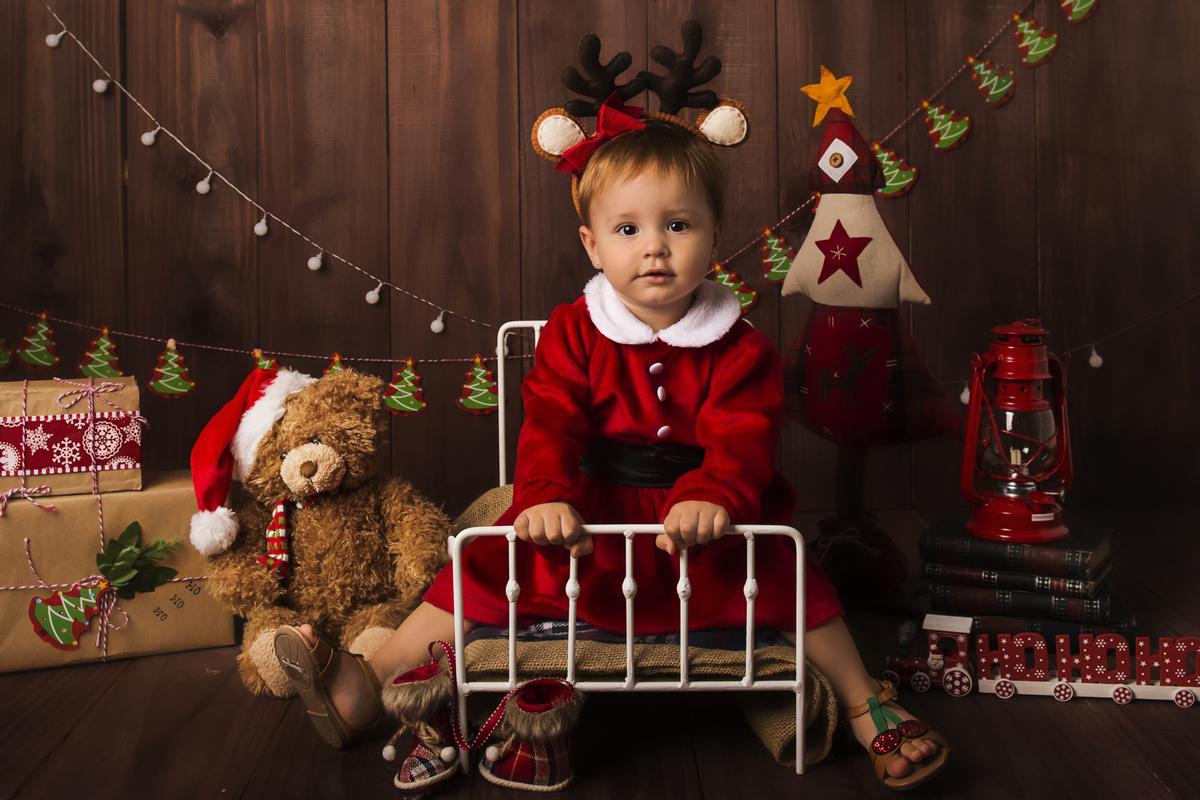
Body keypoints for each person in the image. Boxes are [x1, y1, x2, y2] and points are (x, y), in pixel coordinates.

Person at [275, 100, 945, 790]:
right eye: (628, 228)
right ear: (593, 245)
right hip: (591, 513)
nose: (654, 246)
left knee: (790, 576)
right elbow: (552, 420)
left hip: (699, 520)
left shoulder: (739, 345)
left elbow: (744, 435)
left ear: (715, 237)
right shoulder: (573, 331)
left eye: (678, 225)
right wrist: (545, 497)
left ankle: (866, 700)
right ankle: (368, 682)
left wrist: (713, 494)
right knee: (482, 568)